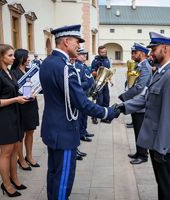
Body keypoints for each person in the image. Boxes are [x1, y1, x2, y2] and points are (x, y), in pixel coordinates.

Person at [39, 24, 116, 200]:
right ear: (66, 41)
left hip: (52, 129)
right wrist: (107, 112)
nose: (78, 46)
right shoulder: (66, 68)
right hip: (65, 132)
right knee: (63, 179)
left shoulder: (48, 62)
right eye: (76, 42)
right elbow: (82, 104)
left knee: (53, 173)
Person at [114, 32, 170, 200]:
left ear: (166, 48)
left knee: (166, 185)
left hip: (163, 145)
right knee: (161, 182)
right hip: (156, 142)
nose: (151, 53)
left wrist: (161, 148)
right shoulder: (161, 73)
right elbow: (145, 99)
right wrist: (122, 107)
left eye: (154, 49)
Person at [0, 44, 29, 197]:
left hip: (15, 115)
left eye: (13, 55)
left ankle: (15, 179)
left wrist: (25, 94)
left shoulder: (10, 73)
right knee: (6, 153)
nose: (14, 58)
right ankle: (6, 185)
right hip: (4, 118)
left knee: (13, 152)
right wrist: (16, 99)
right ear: (1, 57)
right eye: (10, 55)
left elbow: (13, 91)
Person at [118, 42, 152, 165]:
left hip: (140, 105)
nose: (132, 55)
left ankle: (143, 155)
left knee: (141, 131)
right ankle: (139, 152)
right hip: (135, 103)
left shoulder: (145, 67)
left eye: (135, 52)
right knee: (137, 130)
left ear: (142, 54)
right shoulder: (139, 66)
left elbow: (139, 87)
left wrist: (125, 96)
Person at [11, 49, 40, 171]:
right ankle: (21, 159)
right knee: (21, 134)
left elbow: (33, 86)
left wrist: (35, 93)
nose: (29, 59)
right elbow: (16, 90)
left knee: (30, 132)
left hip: (31, 104)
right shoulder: (13, 73)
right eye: (27, 57)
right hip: (21, 106)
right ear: (20, 58)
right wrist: (28, 93)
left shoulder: (30, 71)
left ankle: (29, 156)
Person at [91, 45, 112, 124]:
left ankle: (104, 117)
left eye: (105, 52)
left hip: (105, 83)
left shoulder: (107, 59)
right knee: (99, 101)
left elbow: (108, 71)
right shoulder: (95, 61)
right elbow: (93, 72)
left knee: (106, 100)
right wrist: (98, 73)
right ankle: (94, 117)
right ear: (99, 52)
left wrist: (110, 80)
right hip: (98, 83)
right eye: (102, 52)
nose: (104, 53)